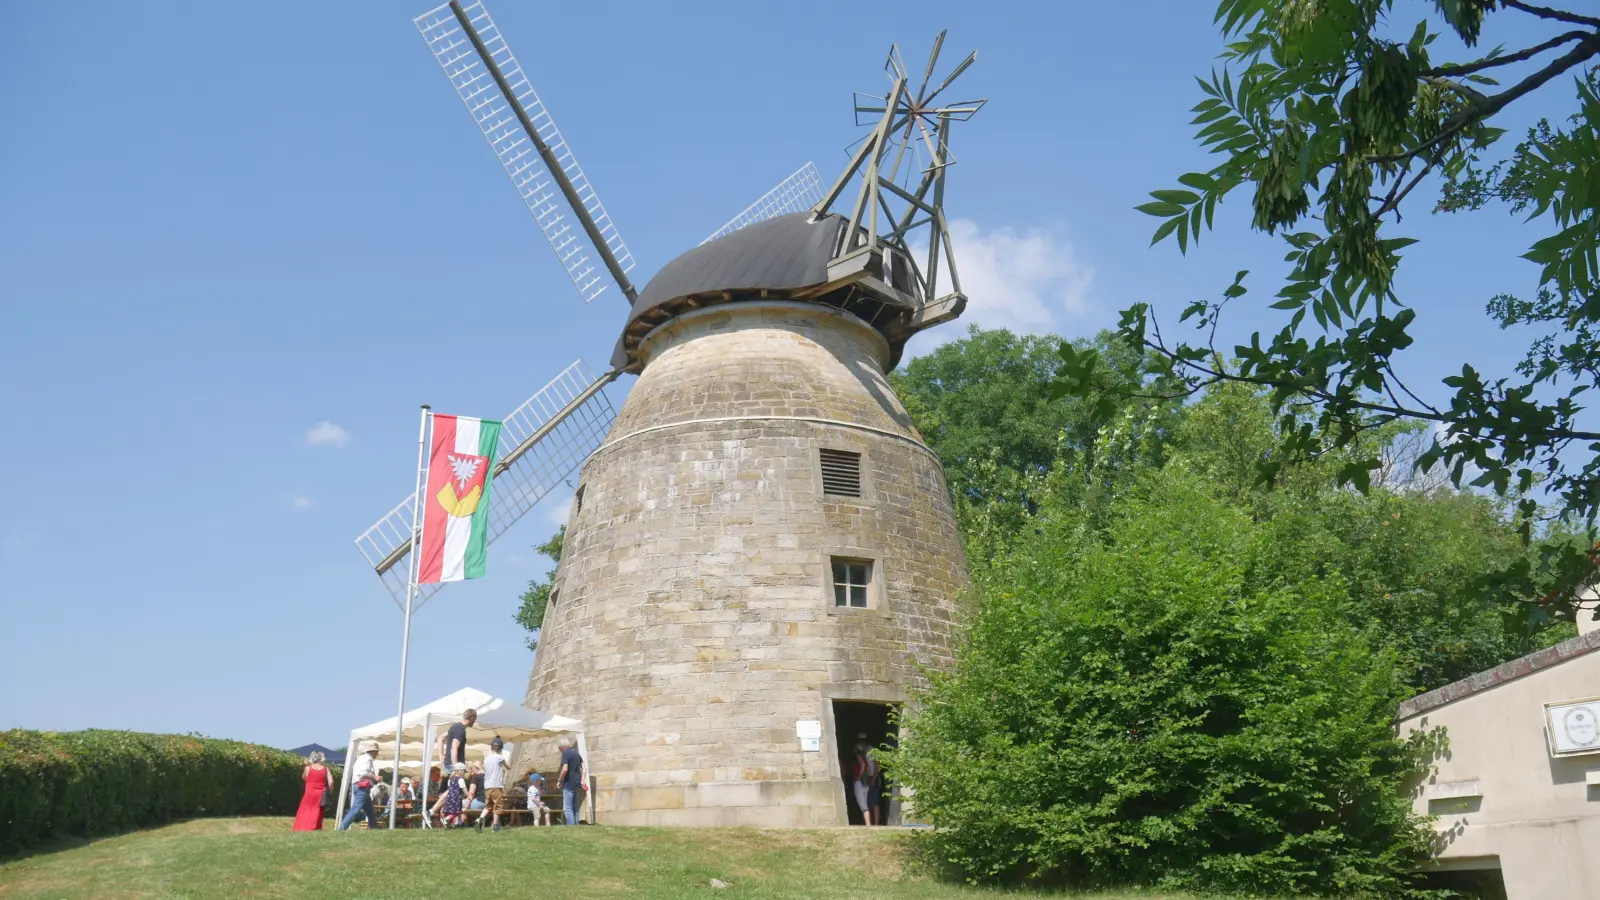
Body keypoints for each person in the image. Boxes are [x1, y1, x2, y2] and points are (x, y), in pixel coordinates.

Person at [339, 740, 382, 831]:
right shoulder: (367, 759)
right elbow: (362, 773)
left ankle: (374, 829)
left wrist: (374, 779)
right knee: (356, 810)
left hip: (361, 787)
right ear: (372, 751)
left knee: (370, 812)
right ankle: (341, 829)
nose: (377, 754)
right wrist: (375, 777)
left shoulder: (362, 758)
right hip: (362, 788)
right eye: (376, 752)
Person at [293, 751, 332, 831]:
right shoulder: (325, 769)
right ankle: (315, 827)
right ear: (321, 759)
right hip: (321, 794)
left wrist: (307, 766)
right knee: (317, 811)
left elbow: (304, 778)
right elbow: (331, 782)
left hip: (309, 793)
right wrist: (330, 791)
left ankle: (302, 827)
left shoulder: (307, 768)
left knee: (306, 810)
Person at [850, 734, 881, 826]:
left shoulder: (871, 750)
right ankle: (869, 823)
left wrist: (872, 778)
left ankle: (875, 824)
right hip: (867, 779)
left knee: (873, 803)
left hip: (870, 779)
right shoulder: (863, 752)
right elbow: (867, 767)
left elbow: (875, 766)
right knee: (867, 803)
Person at [557, 736, 586, 826]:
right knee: (575, 807)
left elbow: (565, 769)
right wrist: (583, 779)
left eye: (559, 748)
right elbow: (583, 768)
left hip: (569, 783)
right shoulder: (576, 753)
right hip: (577, 783)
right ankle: (576, 825)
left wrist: (559, 780)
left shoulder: (565, 753)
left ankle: (571, 826)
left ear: (561, 747)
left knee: (567, 807)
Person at [441, 762, 468, 828]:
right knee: (456, 812)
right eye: (464, 771)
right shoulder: (461, 779)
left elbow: (449, 789)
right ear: (460, 771)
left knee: (456, 811)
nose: (464, 773)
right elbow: (464, 790)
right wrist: (469, 795)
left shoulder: (450, 779)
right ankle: (446, 819)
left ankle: (457, 823)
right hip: (456, 798)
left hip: (449, 798)